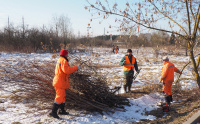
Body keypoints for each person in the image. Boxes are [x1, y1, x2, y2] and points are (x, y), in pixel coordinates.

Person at [49, 49, 80, 119]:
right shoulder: (64, 61)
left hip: (59, 81)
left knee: (62, 96)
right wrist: (76, 68)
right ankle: (53, 112)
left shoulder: (60, 59)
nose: (68, 55)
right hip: (60, 81)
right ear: (65, 54)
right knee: (59, 97)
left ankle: (62, 111)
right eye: (67, 54)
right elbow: (66, 71)